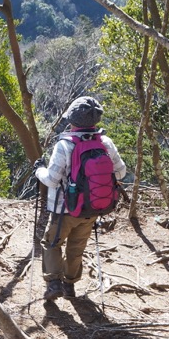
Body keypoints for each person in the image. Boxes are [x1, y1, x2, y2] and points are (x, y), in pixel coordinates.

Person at [35, 96, 127, 301]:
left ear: (71, 119)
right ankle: (69, 285)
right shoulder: (105, 142)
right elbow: (120, 173)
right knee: (77, 247)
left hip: (63, 209)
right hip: (93, 207)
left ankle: (53, 283)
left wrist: (38, 170)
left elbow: (51, 180)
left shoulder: (65, 144)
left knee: (52, 243)